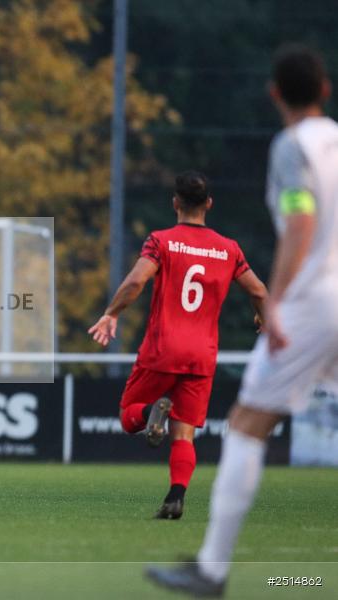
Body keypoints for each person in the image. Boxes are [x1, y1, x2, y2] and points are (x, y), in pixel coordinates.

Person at [146, 44, 338, 597]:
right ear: (325, 89)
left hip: (314, 303)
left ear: (274, 93)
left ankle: (211, 570)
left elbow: (300, 219)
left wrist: (274, 301)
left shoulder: (293, 145)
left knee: (249, 424)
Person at [89, 171, 267, 519]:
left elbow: (136, 280)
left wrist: (111, 313)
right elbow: (259, 291)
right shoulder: (228, 248)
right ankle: (176, 497)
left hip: (163, 348)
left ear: (175, 203)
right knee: (183, 433)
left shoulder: (161, 241)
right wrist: (263, 318)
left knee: (130, 415)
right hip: (202, 355)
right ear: (209, 204)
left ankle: (152, 410)